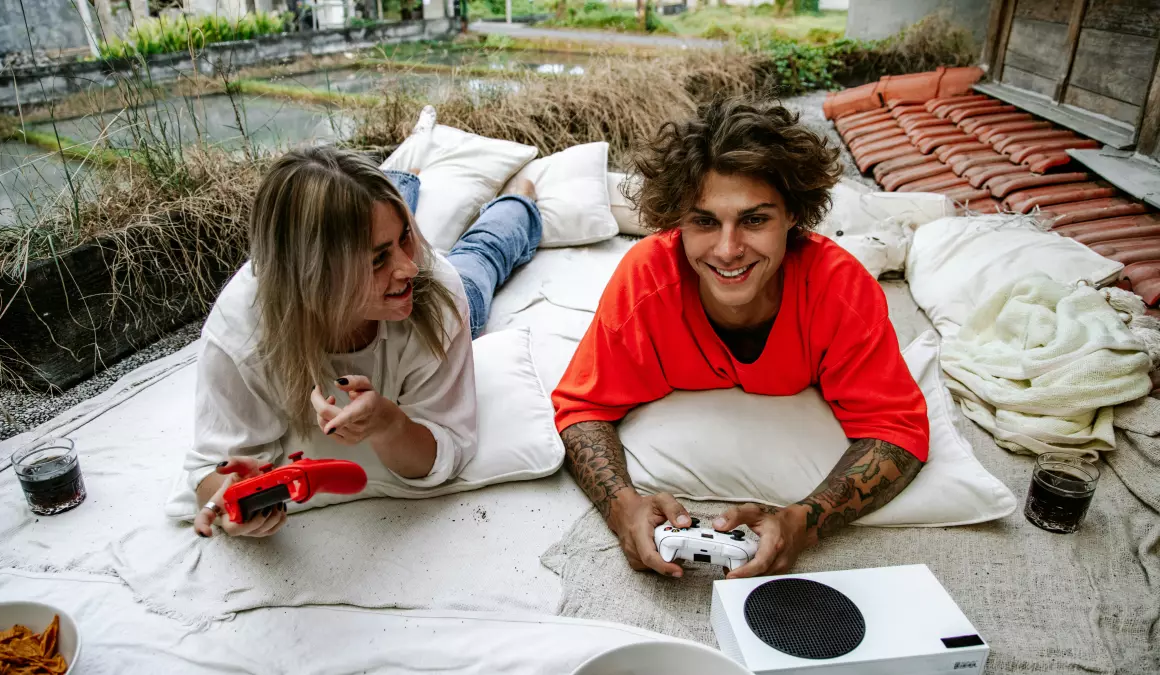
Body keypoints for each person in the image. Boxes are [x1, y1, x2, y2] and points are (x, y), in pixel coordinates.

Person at [551, 97, 929, 579]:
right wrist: (622, 506)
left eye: (754, 220)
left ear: (792, 215)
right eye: (704, 221)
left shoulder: (841, 290)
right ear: (677, 222)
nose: (728, 251)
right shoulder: (645, 281)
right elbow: (581, 409)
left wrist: (804, 520)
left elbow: (898, 431)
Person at [186, 146, 541, 538]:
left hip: (428, 300)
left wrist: (390, 425)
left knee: (480, 256)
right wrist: (230, 505)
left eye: (406, 236)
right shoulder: (241, 332)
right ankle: (405, 183)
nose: (408, 266)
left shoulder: (433, 285)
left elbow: (448, 446)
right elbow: (212, 469)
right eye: (377, 260)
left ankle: (518, 199)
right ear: (312, 276)